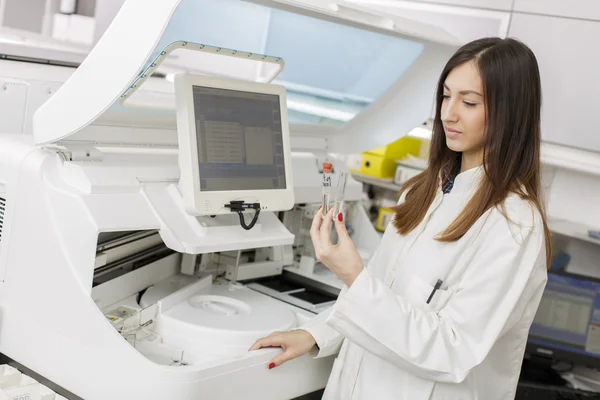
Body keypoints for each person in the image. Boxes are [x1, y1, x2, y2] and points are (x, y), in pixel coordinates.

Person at [250, 37, 552, 400]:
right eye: (445, 95)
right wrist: (317, 334)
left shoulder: (514, 225)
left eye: (469, 102)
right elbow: (381, 287)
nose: (448, 113)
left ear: (510, 113)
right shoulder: (423, 190)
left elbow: (452, 350)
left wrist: (352, 274)